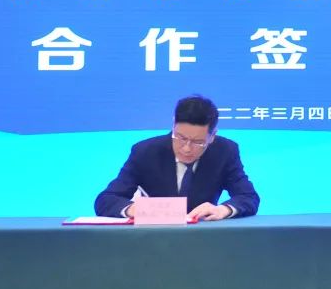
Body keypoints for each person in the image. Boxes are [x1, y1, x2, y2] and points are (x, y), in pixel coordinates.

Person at [94, 95, 259, 221]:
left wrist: (223, 210)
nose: (186, 148)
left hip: (204, 237)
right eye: (180, 137)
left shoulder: (225, 151)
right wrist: (133, 209)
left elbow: (248, 197)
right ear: (173, 125)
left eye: (198, 142)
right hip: (153, 238)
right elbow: (106, 200)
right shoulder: (145, 152)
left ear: (212, 136)